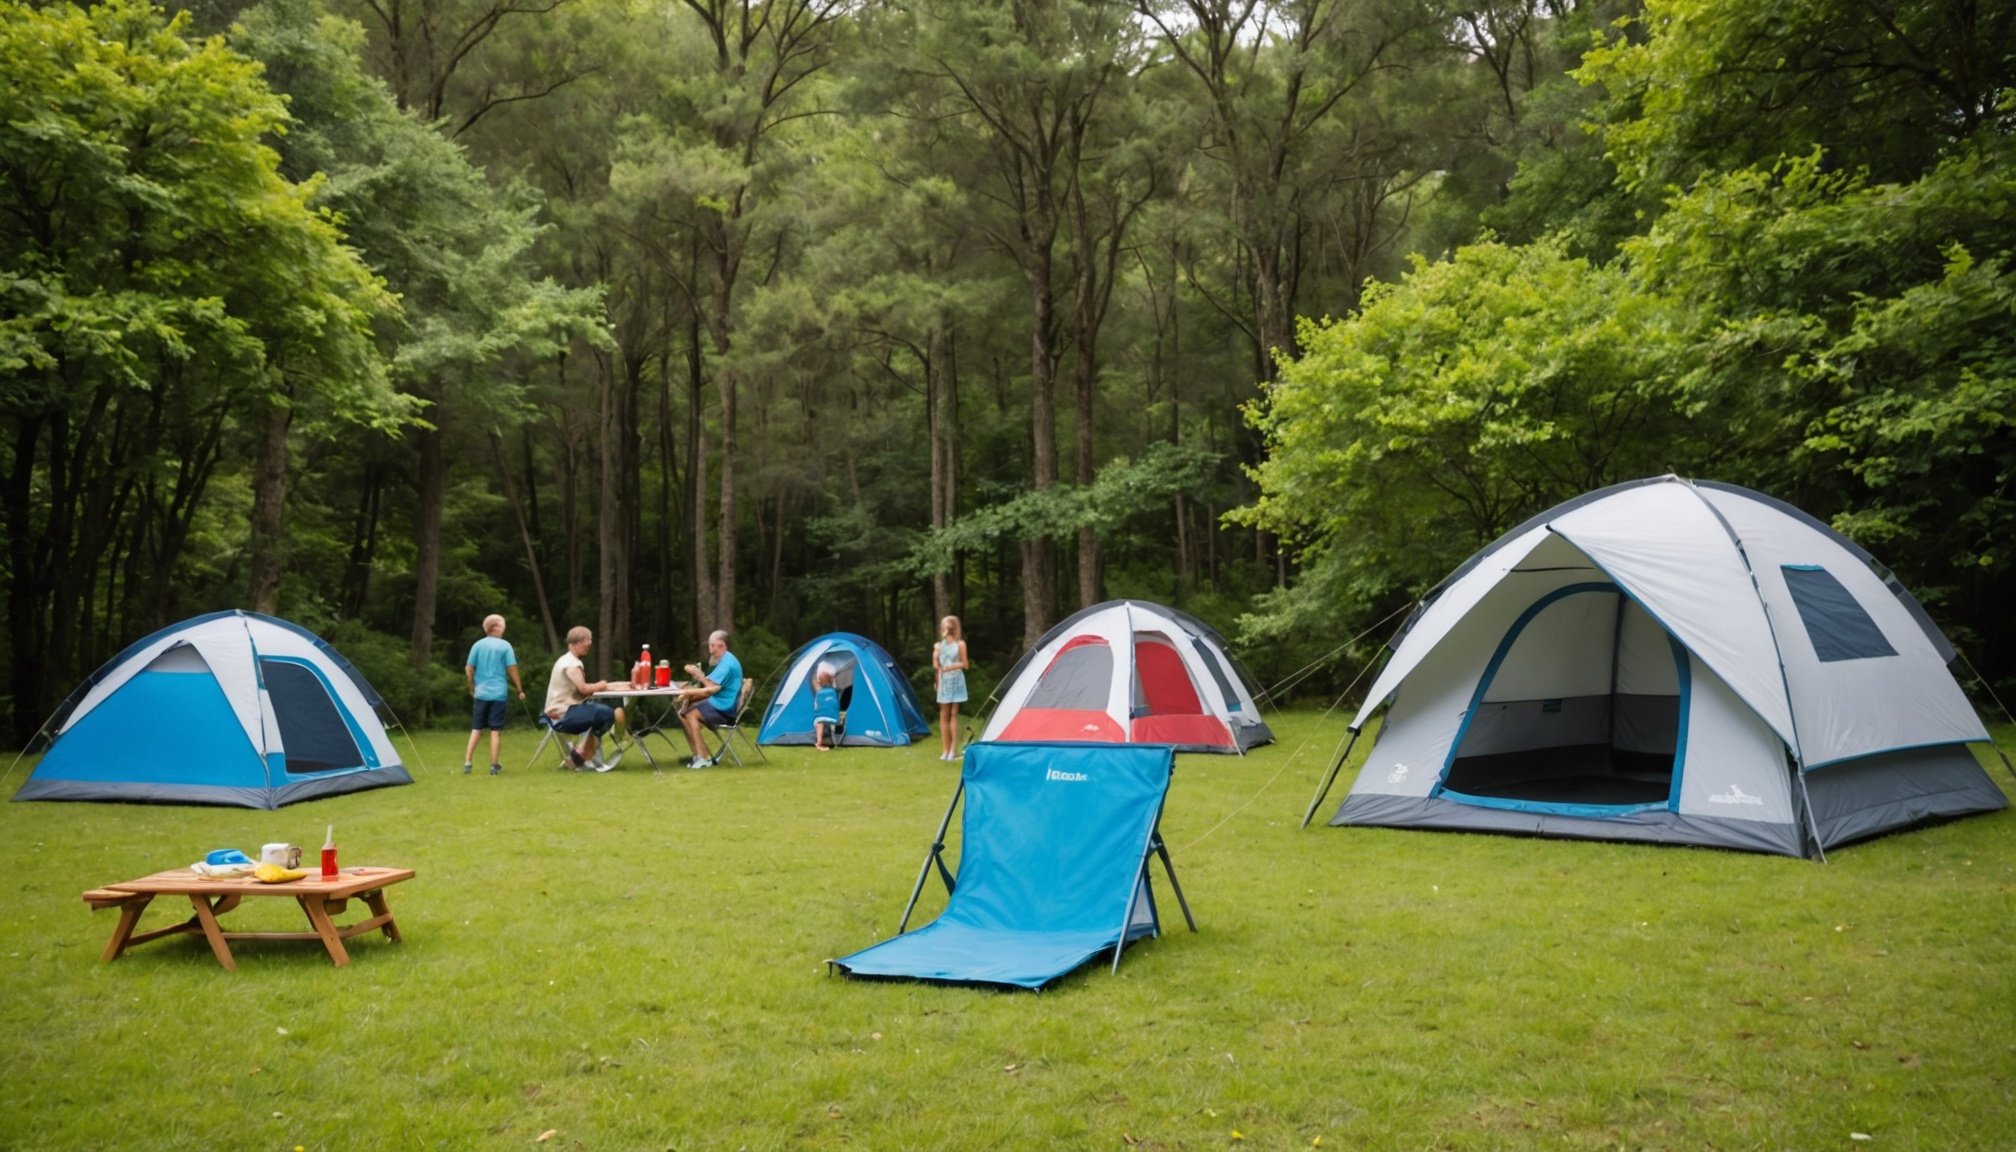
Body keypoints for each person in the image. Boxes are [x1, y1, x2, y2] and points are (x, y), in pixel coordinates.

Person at [544, 625, 624, 771]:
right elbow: (583, 689)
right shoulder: (572, 664)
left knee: (600, 713)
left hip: (558, 712)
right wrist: (600, 685)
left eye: (589, 641)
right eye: (586, 642)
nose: (588, 645)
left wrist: (603, 687)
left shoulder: (565, 660)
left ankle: (580, 754)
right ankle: (582, 755)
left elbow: (581, 691)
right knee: (606, 714)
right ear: (574, 643)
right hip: (562, 714)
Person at [463, 614, 526, 775]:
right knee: (495, 730)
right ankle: (494, 765)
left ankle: (468, 762)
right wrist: (519, 689)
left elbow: (469, 669)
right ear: (496, 626)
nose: (504, 628)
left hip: (481, 694)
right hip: (498, 694)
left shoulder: (477, 645)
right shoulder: (505, 646)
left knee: (476, 729)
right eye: (502, 624)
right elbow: (512, 668)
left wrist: (472, 687)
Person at [676, 630, 743, 769]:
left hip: (725, 708)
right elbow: (711, 687)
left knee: (690, 714)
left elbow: (710, 687)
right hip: (720, 702)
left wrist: (697, 674)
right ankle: (698, 754)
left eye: (714, 646)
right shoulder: (725, 660)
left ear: (723, 646)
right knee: (683, 712)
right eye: (710, 646)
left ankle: (702, 758)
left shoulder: (727, 664)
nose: (711, 651)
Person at [935, 615, 969, 761]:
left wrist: (950, 667)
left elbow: (965, 664)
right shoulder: (938, 646)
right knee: (943, 714)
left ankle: (953, 751)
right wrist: (936, 680)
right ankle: (945, 749)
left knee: (953, 714)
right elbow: (937, 666)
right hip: (944, 681)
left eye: (947, 627)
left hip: (956, 679)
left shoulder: (960, 644)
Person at [810, 663, 841, 752]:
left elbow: (815, 681)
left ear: (820, 682)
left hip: (820, 718)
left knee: (819, 723)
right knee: (826, 723)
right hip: (833, 718)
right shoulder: (834, 691)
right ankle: (832, 741)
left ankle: (819, 742)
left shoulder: (819, 692)